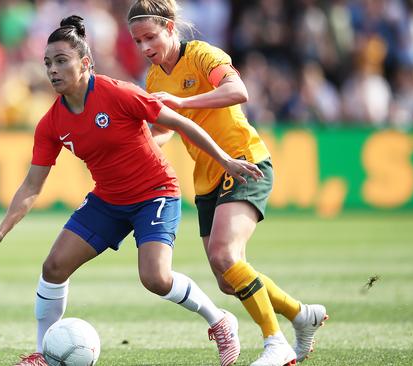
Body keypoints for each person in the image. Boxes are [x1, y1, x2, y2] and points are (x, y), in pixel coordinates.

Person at [0, 15, 261, 366]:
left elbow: (180, 122)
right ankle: (43, 354)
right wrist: (2, 229)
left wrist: (226, 160)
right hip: (108, 199)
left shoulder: (117, 93)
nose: (52, 70)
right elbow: (33, 184)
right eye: (48, 63)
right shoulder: (51, 123)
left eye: (61, 61)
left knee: (155, 278)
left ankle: (219, 321)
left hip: (156, 192)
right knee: (53, 267)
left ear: (85, 64)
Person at [127, 1, 329, 365]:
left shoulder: (203, 55)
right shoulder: (155, 78)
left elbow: (239, 91)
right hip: (206, 178)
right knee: (226, 279)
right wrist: (133, 147)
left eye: (150, 37)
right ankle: (301, 314)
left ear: (170, 28)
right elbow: (164, 130)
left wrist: (183, 101)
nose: (144, 48)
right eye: (138, 41)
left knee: (224, 255)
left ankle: (275, 343)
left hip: (244, 161)